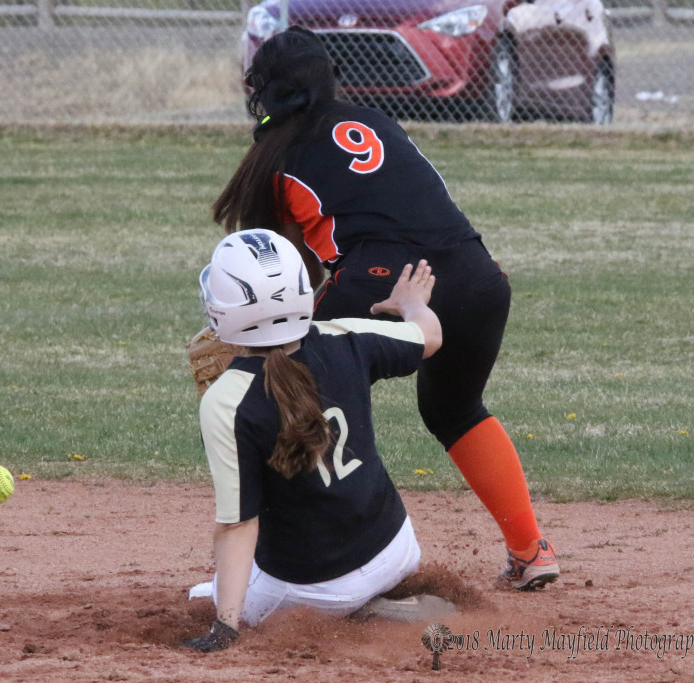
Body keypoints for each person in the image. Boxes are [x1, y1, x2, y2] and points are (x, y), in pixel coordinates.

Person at [211, 26, 558, 592]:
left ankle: (327, 560)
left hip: (383, 280)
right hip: (477, 277)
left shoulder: (276, 155)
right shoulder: (374, 120)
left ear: (261, 89)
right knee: (455, 409)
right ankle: (530, 549)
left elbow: (282, 275)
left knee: (284, 384)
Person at [184, 229, 452, 653]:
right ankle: (367, 597)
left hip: (318, 585)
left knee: (212, 593)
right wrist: (412, 304)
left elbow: (238, 525)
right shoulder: (344, 338)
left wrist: (225, 626)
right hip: (396, 546)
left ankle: (364, 614)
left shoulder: (227, 401)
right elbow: (429, 337)